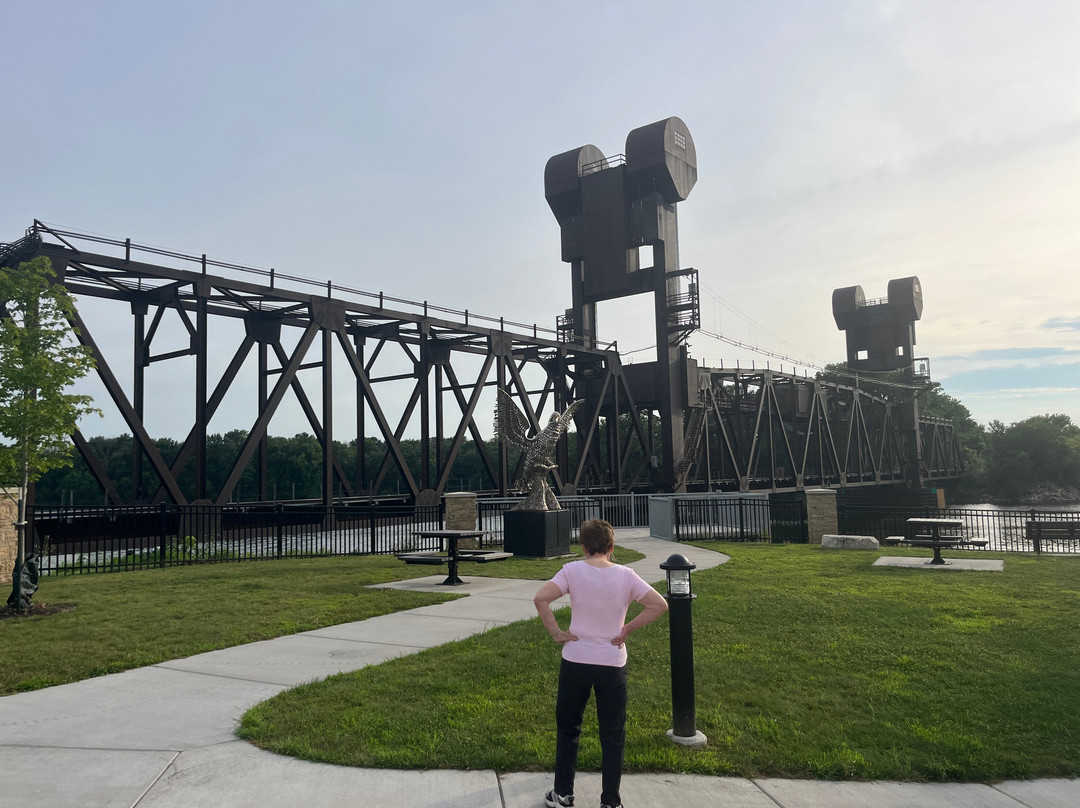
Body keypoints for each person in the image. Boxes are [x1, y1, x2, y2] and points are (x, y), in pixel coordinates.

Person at [533, 519, 669, 808]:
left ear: (583, 547)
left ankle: (563, 794)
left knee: (569, 727)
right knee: (612, 733)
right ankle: (610, 801)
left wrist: (558, 633)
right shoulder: (626, 575)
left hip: (576, 660)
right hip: (612, 663)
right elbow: (659, 605)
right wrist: (627, 630)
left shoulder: (572, 571)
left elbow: (541, 598)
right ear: (611, 546)